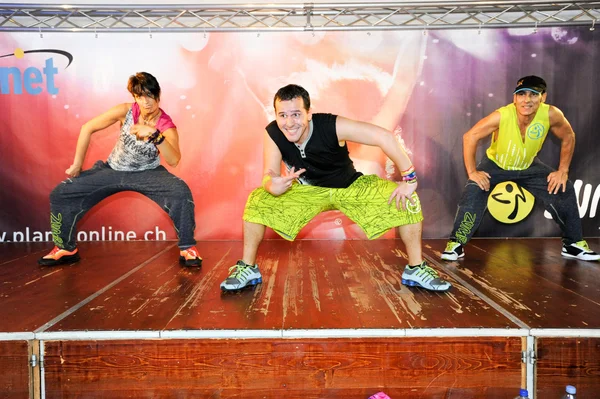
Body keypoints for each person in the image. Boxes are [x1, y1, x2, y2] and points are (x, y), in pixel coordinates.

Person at [220, 84, 451, 292]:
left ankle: (415, 269)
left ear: (308, 114)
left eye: (296, 114)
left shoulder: (331, 125)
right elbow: (268, 176)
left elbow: (383, 136)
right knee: (257, 200)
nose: (289, 123)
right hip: (306, 192)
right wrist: (272, 185)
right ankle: (248, 269)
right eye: (283, 115)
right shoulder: (272, 133)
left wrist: (410, 179)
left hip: (350, 187)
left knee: (408, 200)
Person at [38, 72, 202, 267]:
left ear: (158, 96)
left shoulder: (165, 125)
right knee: (61, 193)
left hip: (147, 173)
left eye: (150, 95)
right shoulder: (126, 112)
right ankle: (66, 248)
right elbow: (87, 128)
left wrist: (155, 135)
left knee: (180, 191)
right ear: (134, 97)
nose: (146, 101)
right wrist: (77, 164)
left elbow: (174, 160)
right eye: (140, 96)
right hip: (112, 170)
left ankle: (187, 248)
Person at [441, 75, 599, 262]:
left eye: (533, 95)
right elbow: (470, 137)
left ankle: (573, 244)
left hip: (528, 166)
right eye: (521, 94)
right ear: (515, 98)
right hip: (495, 165)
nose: (527, 100)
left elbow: (568, 136)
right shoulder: (502, 115)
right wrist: (473, 172)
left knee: (563, 188)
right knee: (474, 191)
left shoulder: (551, 114)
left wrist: (562, 170)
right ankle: (456, 244)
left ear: (543, 97)